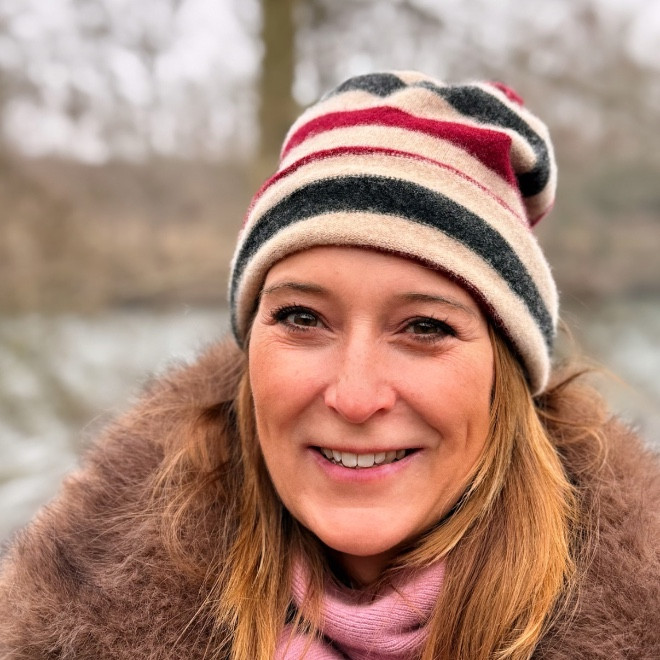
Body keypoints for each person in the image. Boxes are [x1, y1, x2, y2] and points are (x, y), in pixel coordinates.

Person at [1, 71, 658, 659]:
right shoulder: (67, 631)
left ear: (503, 377)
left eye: (424, 327)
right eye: (302, 318)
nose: (355, 396)